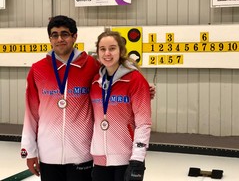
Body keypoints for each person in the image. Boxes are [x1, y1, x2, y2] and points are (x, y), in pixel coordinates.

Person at [21, 15, 155, 181]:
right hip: (48, 153)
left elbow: (117, 71)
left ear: (75, 37)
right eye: (54, 35)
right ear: (50, 39)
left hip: (82, 152)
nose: (60, 39)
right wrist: (29, 150)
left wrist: (143, 87)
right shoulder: (38, 70)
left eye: (65, 34)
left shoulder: (91, 65)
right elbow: (31, 114)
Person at [90, 31, 152, 181]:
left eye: (112, 48)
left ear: (121, 51)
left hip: (127, 158)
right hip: (100, 158)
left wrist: (137, 158)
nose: (107, 53)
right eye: (103, 49)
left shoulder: (135, 79)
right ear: (98, 53)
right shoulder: (94, 81)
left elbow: (143, 123)